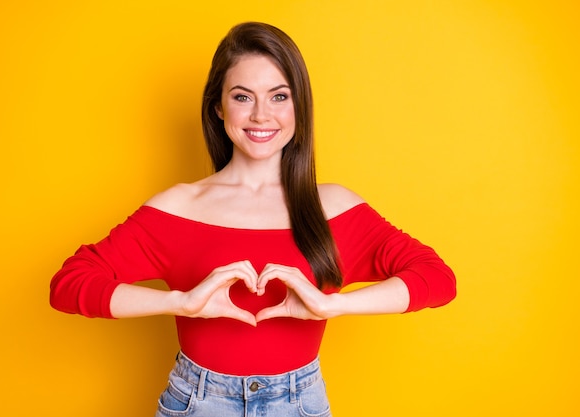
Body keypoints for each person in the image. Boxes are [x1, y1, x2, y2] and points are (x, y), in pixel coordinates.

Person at [50, 21, 456, 417]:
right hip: (197, 402)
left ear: (299, 105)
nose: (262, 115)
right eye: (243, 97)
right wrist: (181, 302)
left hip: (300, 402)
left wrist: (333, 305)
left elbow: (437, 278)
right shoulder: (179, 206)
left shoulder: (333, 207)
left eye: (279, 96)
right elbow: (69, 284)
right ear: (219, 106)